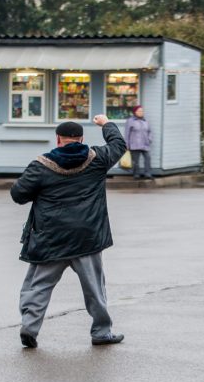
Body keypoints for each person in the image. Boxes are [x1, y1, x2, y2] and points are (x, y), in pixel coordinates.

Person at [11, 115, 126, 349]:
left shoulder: (41, 166)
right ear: (81, 139)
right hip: (87, 237)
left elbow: (18, 194)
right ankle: (102, 332)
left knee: (38, 286)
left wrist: (42, 191)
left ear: (57, 140)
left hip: (51, 239)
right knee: (95, 288)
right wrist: (106, 124)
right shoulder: (97, 159)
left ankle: (29, 328)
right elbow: (119, 144)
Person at [124, 105, 153, 179]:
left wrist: (149, 139)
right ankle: (136, 174)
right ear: (135, 112)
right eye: (139, 111)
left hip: (145, 144)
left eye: (142, 111)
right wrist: (127, 144)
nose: (141, 112)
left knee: (148, 158)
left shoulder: (145, 121)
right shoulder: (130, 121)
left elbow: (149, 131)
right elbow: (127, 133)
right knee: (135, 161)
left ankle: (147, 174)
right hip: (134, 144)